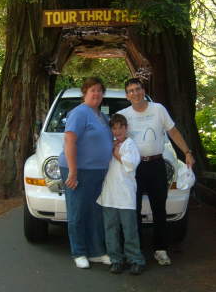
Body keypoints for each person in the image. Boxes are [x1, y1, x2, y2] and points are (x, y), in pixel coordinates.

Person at [119, 78, 195, 266]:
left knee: (159, 208)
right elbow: (114, 139)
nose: (135, 93)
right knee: (133, 209)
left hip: (156, 165)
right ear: (127, 96)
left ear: (143, 90)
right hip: (134, 168)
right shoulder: (123, 115)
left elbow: (174, 132)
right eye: (130, 91)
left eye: (137, 89)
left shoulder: (158, 109)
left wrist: (186, 152)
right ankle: (135, 251)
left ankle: (160, 249)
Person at [58, 77, 113, 269]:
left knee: (96, 212)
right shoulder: (79, 113)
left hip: (98, 172)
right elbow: (69, 141)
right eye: (92, 90)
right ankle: (79, 252)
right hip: (78, 170)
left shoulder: (100, 115)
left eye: (99, 90)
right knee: (78, 212)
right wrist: (72, 171)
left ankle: (97, 252)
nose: (96, 94)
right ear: (85, 93)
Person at [97, 114, 146, 275]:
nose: (117, 131)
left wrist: (117, 154)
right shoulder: (109, 145)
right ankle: (116, 259)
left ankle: (136, 260)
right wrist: (111, 149)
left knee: (129, 230)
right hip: (109, 195)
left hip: (126, 196)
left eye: (120, 127)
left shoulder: (130, 144)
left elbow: (131, 164)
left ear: (126, 128)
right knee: (111, 229)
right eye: (114, 128)